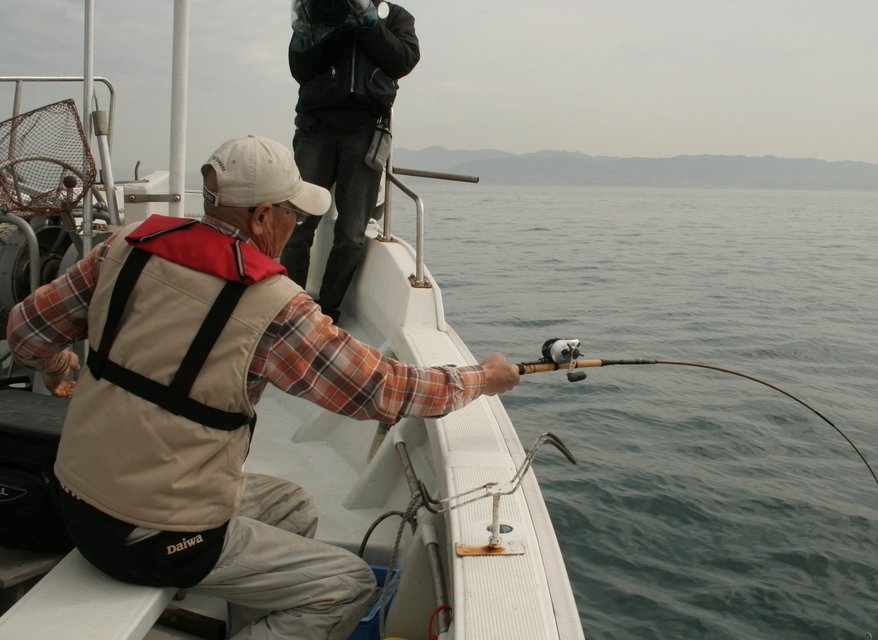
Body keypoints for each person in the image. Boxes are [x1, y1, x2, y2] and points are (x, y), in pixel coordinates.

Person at [5, 134, 519, 640]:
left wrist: (57, 368)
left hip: (73, 497)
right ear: (261, 217)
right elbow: (379, 390)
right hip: (152, 533)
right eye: (293, 214)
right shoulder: (272, 305)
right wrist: (481, 379)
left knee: (293, 506)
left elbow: (26, 332)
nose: (296, 226)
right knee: (346, 585)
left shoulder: (125, 246)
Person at [282, 0, 420, 324]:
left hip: (365, 131)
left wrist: (367, 21)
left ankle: (325, 313)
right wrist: (329, 27)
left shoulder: (396, 17)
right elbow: (300, 68)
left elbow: (402, 60)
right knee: (297, 224)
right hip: (315, 127)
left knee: (351, 233)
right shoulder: (318, 9)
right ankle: (287, 309)